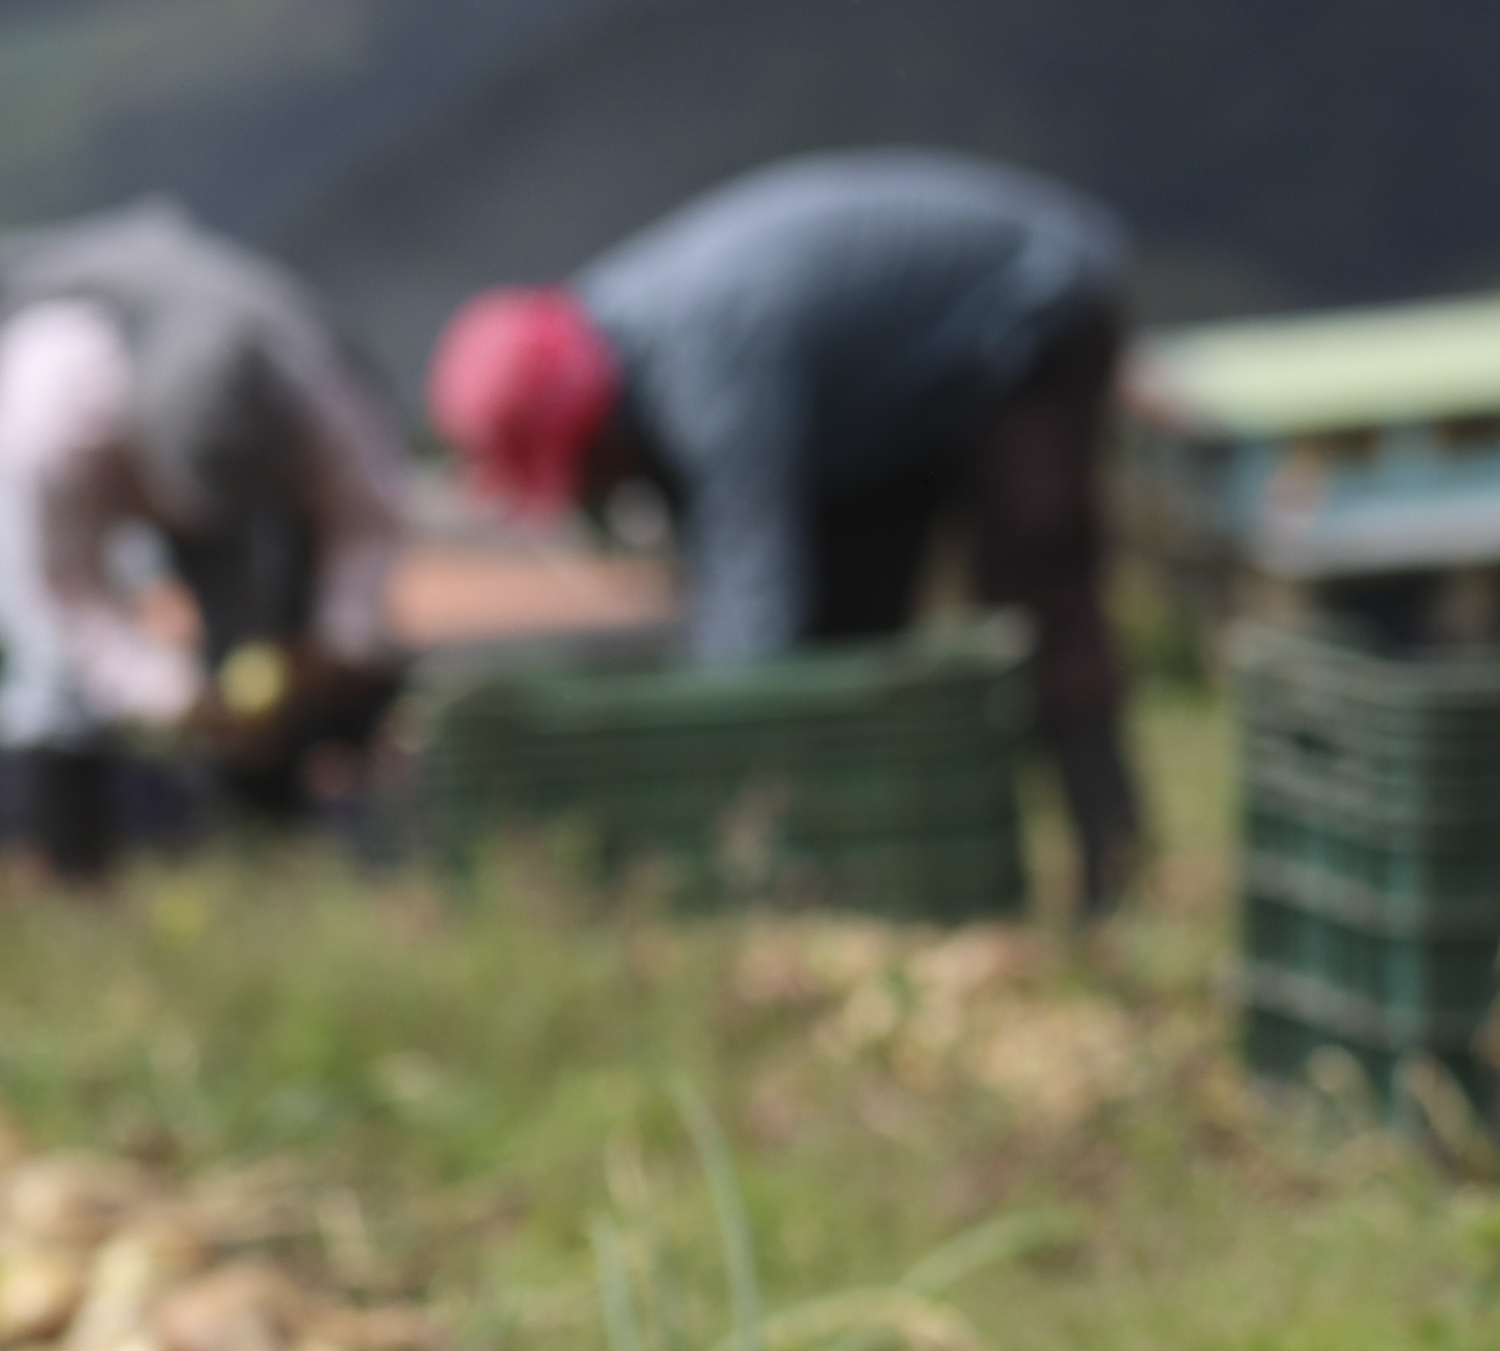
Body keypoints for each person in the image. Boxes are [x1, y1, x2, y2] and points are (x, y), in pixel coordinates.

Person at [432, 151, 1145, 912]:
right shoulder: (616, 347)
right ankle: (881, 884)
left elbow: (754, 592)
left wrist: (697, 783)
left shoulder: (706, 360)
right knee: (851, 629)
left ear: (591, 430)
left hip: (1026, 309)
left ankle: (1116, 869)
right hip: (883, 399)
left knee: (1036, 589)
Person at [0, 201, 408, 882]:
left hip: (199, 444)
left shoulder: (309, 384)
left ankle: (274, 866)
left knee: (251, 636)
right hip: (10, 433)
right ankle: (74, 891)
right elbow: (68, 595)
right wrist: (169, 697)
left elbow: (367, 519)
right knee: (51, 675)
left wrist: (335, 641)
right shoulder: (48, 409)